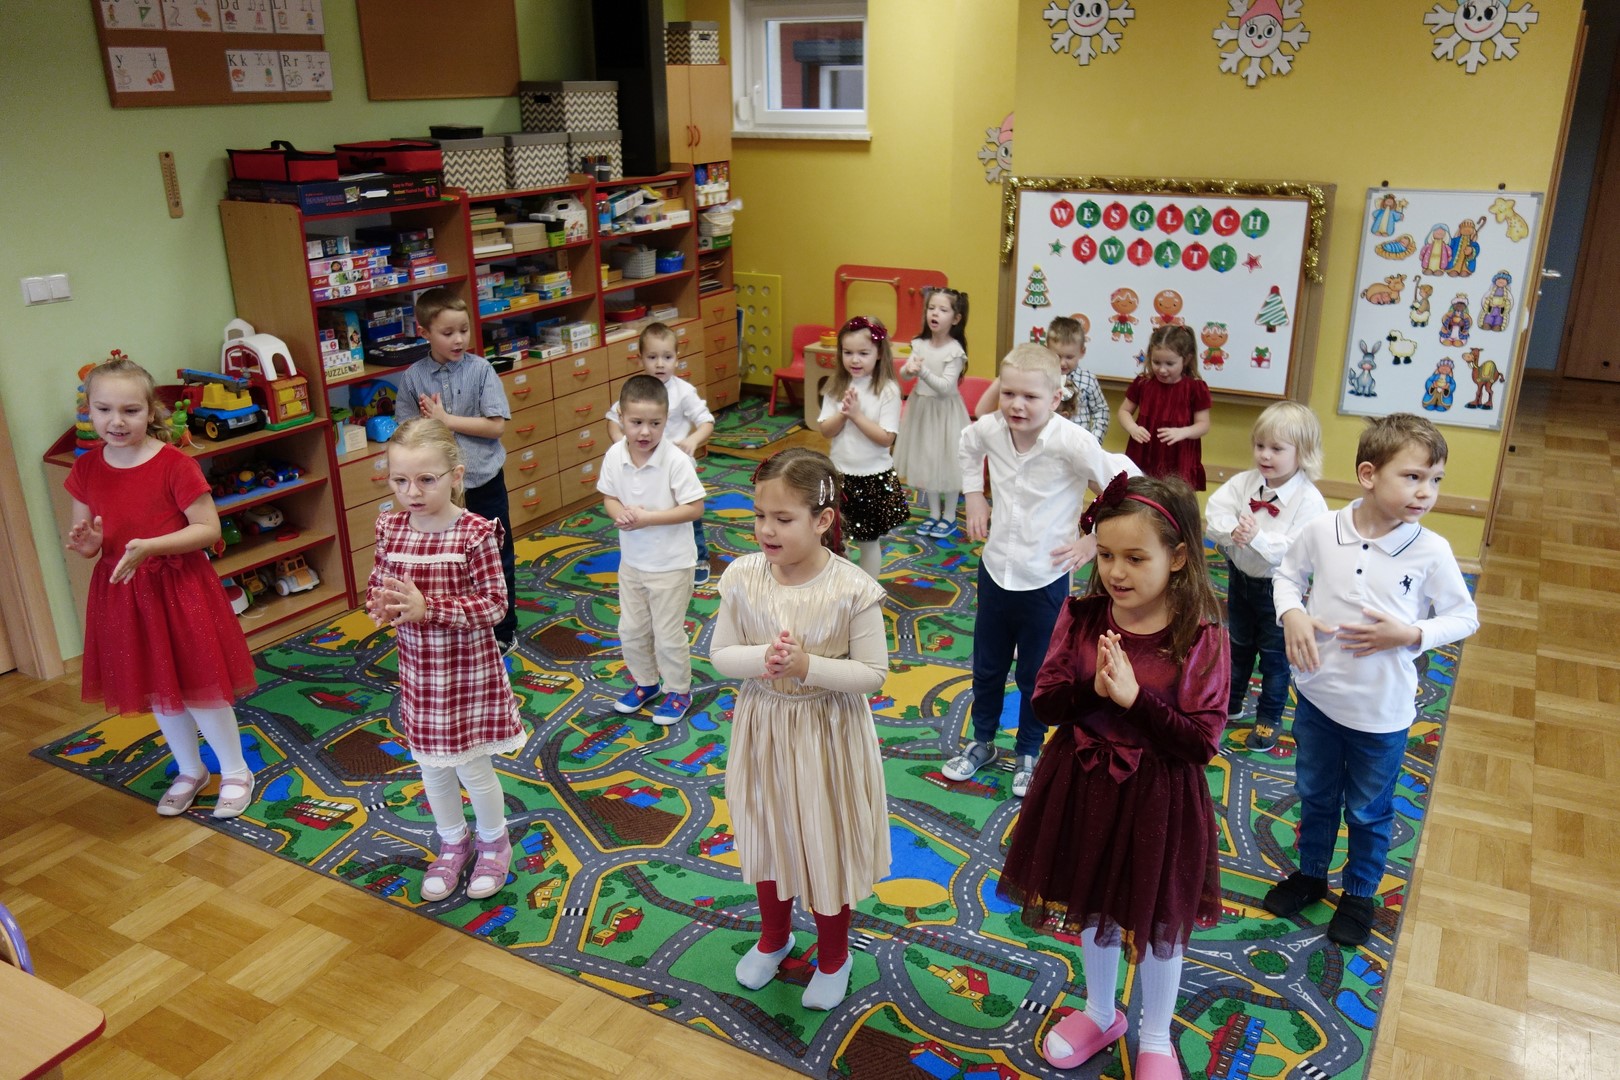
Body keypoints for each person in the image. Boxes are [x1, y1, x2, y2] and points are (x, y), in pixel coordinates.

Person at [997, 473, 1229, 1078]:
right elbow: (1045, 702)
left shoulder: (1200, 634)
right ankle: (1101, 1012)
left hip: (1158, 798)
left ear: (1178, 558)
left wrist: (1134, 701)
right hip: (1081, 782)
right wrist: (1092, 690)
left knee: (1156, 919)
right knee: (1092, 901)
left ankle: (1155, 1037)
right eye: (1104, 555)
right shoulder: (1082, 615)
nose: (1116, 572)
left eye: (1135, 557)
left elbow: (1202, 742)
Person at [1263, 413, 1478, 947]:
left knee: (1368, 810)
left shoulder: (1431, 551)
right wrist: (1292, 613)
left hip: (1381, 714)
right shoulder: (1322, 530)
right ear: (1368, 474)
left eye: (1435, 480)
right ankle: (1311, 874)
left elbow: (1464, 617)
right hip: (1317, 697)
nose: (1426, 492)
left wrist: (1411, 633)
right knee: (1315, 794)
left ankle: (1359, 893)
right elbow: (1287, 575)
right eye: (1413, 477)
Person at [710, 448, 890, 1011]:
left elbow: (873, 674)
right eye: (759, 515)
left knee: (824, 840)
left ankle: (834, 957)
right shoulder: (742, 576)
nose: (766, 529)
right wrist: (763, 658)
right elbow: (720, 654)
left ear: (822, 520)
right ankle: (775, 937)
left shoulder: (853, 588)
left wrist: (807, 666)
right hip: (764, 726)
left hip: (827, 732)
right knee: (768, 831)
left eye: (783, 518)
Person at [64, 355, 258, 818]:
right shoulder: (86, 469)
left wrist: (151, 547)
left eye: (130, 410)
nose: (116, 421)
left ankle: (236, 772)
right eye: (104, 409)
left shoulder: (174, 464)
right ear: (89, 412)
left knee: (200, 687)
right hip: (125, 594)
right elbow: (91, 540)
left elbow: (208, 529)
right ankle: (190, 770)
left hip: (179, 590)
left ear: (151, 411)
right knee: (160, 688)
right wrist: (89, 544)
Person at [945, 344, 1137, 798]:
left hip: (1045, 578)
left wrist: (1094, 538)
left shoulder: (1072, 441)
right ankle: (983, 741)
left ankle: (1029, 750)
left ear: (1055, 397)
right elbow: (967, 444)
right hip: (996, 570)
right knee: (987, 666)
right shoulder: (992, 429)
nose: (1016, 404)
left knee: (1037, 672)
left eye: (1030, 396)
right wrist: (973, 494)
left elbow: (1125, 482)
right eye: (1008, 393)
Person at [366, 418, 526, 903]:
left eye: (425, 479)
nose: (411, 492)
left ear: (456, 476)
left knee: (473, 768)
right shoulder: (391, 526)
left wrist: (430, 608)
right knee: (431, 769)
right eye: (399, 480)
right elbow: (378, 583)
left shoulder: (474, 533)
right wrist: (380, 605)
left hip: (467, 675)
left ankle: (495, 843)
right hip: (419, 675)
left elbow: (495, 606)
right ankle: (453, 842)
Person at [394, 287, 518, 651]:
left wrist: (446, 420)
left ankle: (502, 631)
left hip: (482, 482)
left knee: (496, 556)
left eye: (464, 330)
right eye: (448, 333)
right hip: (440, 492)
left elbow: (496, 426)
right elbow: (406, 434)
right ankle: (456, 625)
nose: (459, 339)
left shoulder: (481, 370)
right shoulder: (414, 377)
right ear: (424, 333)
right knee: (447, 560)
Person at [1204, 401, 1329, 750]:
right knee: (1238, 645)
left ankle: (1269, 715)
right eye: (1260, 445)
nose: (1265, 455)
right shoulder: (1244, 483)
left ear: (1303, 453)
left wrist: (1258, 538)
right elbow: (1215, 513)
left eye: (1276, 448)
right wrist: (1232, 531)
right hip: (1240, 580)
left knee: (1275, 658)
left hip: (1280, 590)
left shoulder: (1309, 501)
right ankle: (1232, 700)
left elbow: (1300, 551)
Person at [599, 375, 708, 724]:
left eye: (655, 424)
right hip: (633, 563)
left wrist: (649, 519)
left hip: (672, 565)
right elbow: (609, 496)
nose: (645, 432)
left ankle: (679, 690)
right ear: (620, 418)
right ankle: (646, 682)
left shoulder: (675, 460)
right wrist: (619, 514)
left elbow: (695, 508)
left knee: (667, 635)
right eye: (636, 423)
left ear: (666, 419)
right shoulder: (615, 455)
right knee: (631, 629)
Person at [606, 322, 716, 583]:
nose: (660, 364)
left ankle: (698, 556)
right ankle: (647, 557)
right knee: (648, 508)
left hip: (676, 466)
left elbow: (706, 421)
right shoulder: (635, 392)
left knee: (686, 512)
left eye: (667, 357)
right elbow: (613, 420)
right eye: (652, 357)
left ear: (677, 358)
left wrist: (693, 440)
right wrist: (622, 444)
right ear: (640, 358)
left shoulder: (683, 392)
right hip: (642, 465)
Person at [816, 315, 908, 581]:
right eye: (848, 352)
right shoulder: (836, 386)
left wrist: (856, 416)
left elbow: (886, 438)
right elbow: (826, 430)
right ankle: (837, 584)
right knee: (833, 537)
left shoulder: (887, 390)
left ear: (879, 354)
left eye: (863, 353)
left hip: (872, 478)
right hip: (839, 475)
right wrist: (844, 414)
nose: (855, 360)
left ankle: (869, 590)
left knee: (868, 541)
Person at [893, 286, 971, 540]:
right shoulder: (919, 344)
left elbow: (946, 387)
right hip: (922, 411)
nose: (934, 313)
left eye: (942, 310)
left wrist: (922, 371)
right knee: (928, 460)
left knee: (947, 463)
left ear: (956, 318)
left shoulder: (955, 351)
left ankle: (949, 515)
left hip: (945, 413)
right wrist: (909, 370)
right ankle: (934, 513)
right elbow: (905, 374)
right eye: (931, 308)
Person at [975, 316, 1110, 443]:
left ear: (1082, 352)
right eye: (1057, 356)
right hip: (1041, 443)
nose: (1062, 363)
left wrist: (1094, 439)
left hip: (1078, 444)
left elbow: (1101, 410)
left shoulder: (1089, 380)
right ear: (1047, 349)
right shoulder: (1038, 377)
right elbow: (983, 412)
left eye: (1069, 357)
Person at [1119, 323, 1211, 490]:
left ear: (1186, 359)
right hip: (1144, 453)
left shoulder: (1195, 388)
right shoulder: (1143, 382)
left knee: (1176, 497)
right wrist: (1132, 428)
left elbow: (1203, 425)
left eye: (1169, 363)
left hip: (1178, 457)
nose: (1162, 370)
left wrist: (1183, 432)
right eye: (1156, 362)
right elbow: (1124, 411)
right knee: (1139, 494)